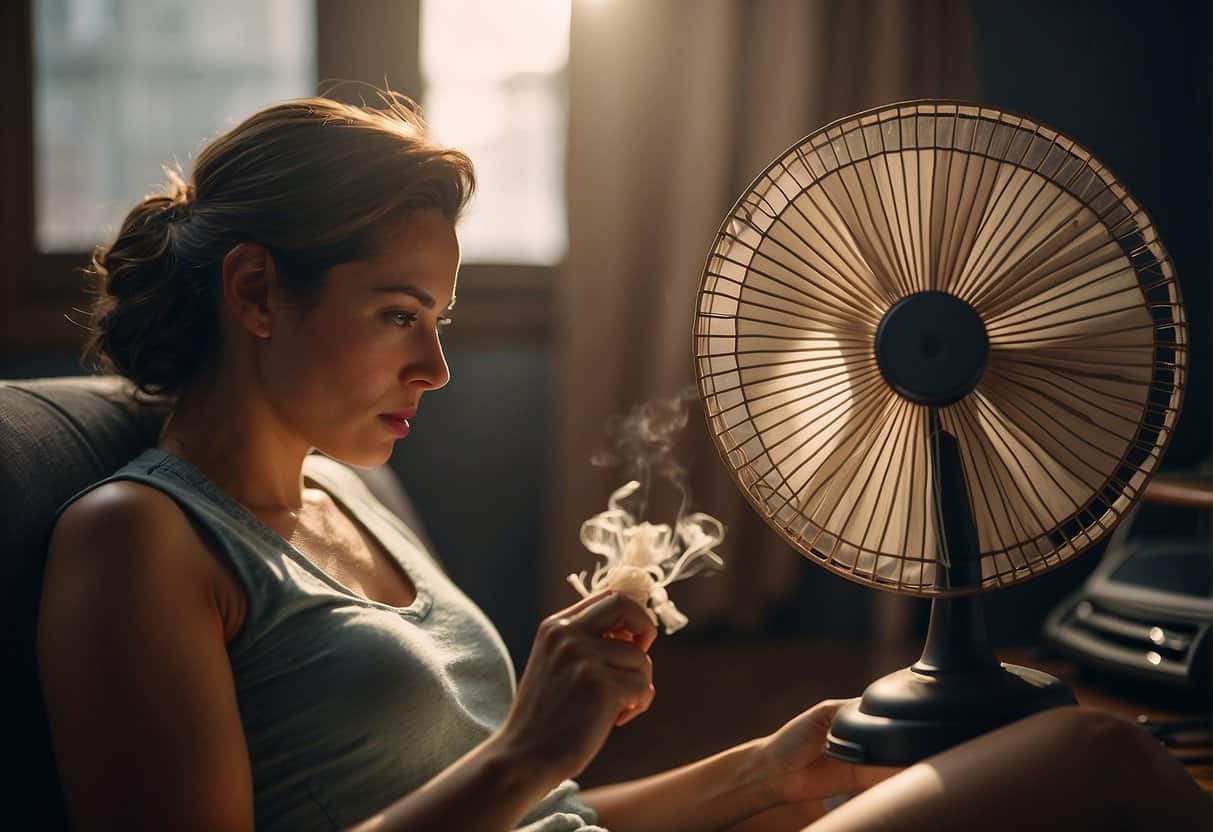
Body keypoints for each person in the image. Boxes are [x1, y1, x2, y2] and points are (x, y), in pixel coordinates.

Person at [37, 93, 1210, 832]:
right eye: (401, 315)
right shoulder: (138, 540)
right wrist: (523, 748)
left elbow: (551, 814)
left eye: (442, 321)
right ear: (255, 292)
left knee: (1071, 761)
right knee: (1094, 753)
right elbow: (519, 779)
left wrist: (757, 771)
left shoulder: (351, 493)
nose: (436, 369)